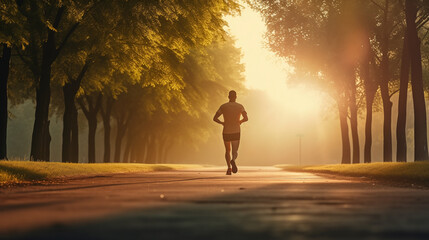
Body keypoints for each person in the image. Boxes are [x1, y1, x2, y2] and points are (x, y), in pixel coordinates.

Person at [213, 90, 248, 175]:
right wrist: (240, 121)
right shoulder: (240, 107)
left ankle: (229, 168)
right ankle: (233, 160)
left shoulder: (223, 107)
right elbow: (246, 118)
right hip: (236, 130)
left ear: (228, 97)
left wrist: (222, 123)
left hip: (226, 131)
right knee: (235, 151)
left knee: (227, 150)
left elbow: (215, 118)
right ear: (236, 97)